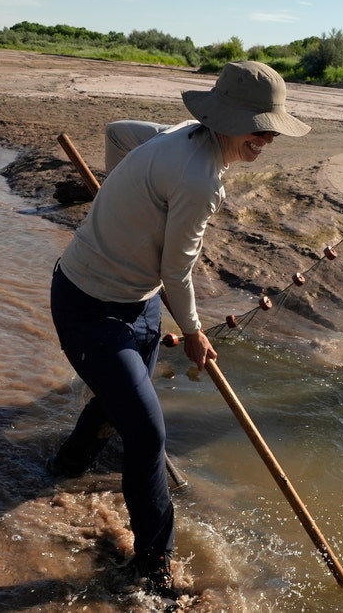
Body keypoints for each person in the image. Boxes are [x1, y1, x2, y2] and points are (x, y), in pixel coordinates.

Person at [48, 61, 310, 596]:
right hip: (88, 303)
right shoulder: (198, 178)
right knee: (146, 433)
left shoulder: (179, 135)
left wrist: (124, 196)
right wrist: (193, 333)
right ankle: (155, 566)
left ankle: (65, 468)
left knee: (120, 401)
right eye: (259, 127)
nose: (268, 138)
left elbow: (119, 133)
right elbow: (177, 271)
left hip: (138, 302)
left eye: (272, 128)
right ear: (225, 119)